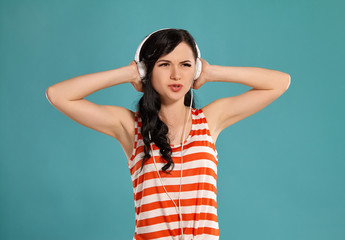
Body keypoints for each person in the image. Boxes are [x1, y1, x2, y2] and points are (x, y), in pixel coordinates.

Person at [46, 28, 291, 240]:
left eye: (185, 65)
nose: (176, 75)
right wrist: (129, 73)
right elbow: (58, 95)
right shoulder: (131, 127)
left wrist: (211, 71)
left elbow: (279, 82)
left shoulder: (209, 120)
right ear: (147, 70)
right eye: (164, 64)